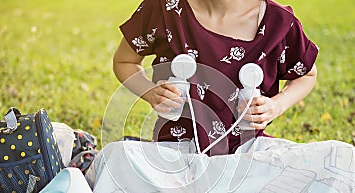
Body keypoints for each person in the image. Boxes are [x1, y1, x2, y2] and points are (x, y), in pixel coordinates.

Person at [113, 0, 319, 156]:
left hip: (247, 153)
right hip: (175, 152)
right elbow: (125, 61)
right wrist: (150, 93)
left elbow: (307, 74)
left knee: (334, 163)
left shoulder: (278, 23)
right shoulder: (164, 9)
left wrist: (277, 105)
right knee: (116, 159)